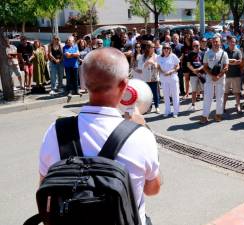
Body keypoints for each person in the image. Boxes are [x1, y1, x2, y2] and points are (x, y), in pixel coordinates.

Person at [38, 48, 160, 225]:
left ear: (84, 83)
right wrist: (144, 128)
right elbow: (152, 189)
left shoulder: (55, 132)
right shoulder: (141, 135)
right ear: (124, 85)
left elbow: (45, 191)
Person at [201, 37, 229, 123]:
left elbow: (226, 67)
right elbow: (205, 67)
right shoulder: (207, 53)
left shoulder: (224, 53)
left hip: (220, 77)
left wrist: (218, 76)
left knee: (219, 97)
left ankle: (218, 115)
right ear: (211, 43)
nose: (215, 43)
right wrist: (212, 75)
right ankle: (205, 116)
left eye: (217, 42)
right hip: (210, 77)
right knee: (207, 96)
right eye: (214, 42)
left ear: (220, 43)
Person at [157, 43, 181, 117]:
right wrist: (162, 72)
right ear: (162, 49)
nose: (166, 50)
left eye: (168, 48)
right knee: (166, 95)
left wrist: (171, 71)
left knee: (175, 95)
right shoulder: (159, 57)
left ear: (170, 49)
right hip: (164, 78)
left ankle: (176, 112)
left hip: (173, 77)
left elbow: (178, 66)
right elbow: (158, 67)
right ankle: (167, 111)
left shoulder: (173, 56)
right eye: (164, 48)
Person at [136, 41, 160, 113]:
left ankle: (157, 106)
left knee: (155, 93)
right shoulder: (142, 57)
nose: (154, 48)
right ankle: (149, 107)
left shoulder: (156, 56)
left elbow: (159, 66)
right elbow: (140, 67)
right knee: (147, 94)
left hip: (154, 77)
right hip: (145, 78)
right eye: (152, 47)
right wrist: (146, 63)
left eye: (154, 47)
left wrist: (154, 63)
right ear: (148, 48)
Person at [224, 37, 242, 113]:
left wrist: (230, 62)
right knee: (225, 92)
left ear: (235, 43)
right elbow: (224, 62)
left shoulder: (238, 51)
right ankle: (223, 106)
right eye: (231, 42)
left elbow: (240, 61)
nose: (232, 43)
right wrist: (233, 61)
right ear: (228, 43)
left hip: (236, 75)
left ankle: (238, 106)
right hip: (226, 75)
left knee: (237, 92)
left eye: (234, 42)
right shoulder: (225, 51)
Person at [187, 40, 205, 111]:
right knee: (194, 90)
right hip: (193, 74)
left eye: (197, 45)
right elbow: (188, 64)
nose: (196, 47)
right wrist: (194, 70)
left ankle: (205, 105)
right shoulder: (190, 54)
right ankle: (193, 105)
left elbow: (204, 64)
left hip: (202, 74)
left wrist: (198, 69)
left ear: (199, 45)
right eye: (194, 46)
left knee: (204, 90)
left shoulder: (203, 53)